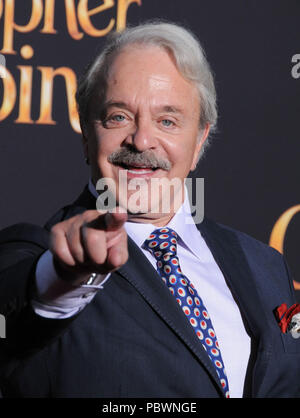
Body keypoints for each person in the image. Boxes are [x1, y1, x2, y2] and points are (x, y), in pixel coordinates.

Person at [0, 21, 299, 399]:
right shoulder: (38, 256)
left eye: (167, 121)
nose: (141, 139)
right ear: (87, 135)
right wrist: (63, 278)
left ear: (200, 140)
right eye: (118, 117)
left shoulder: (266, 266)